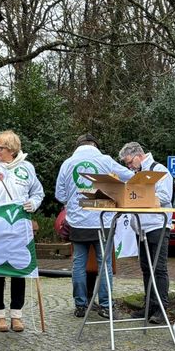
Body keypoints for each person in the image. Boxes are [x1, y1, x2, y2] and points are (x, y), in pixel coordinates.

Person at [54, 134, 135, 318]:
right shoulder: (105, 160)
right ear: (95, 145)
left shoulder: (67, 163)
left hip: (78, 223)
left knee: (78, 265)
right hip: (103, 221)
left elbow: (60, 195)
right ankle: (106, 306)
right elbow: (130, 177)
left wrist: (75, 201)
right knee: (104, 264)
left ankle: (81, 305)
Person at [0, 130, 44, 332]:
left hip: (18, 229)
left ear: (12, 150)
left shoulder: (26, 167)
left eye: (1, 147)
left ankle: (17, 314)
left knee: (18, 269)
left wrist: (33, 203)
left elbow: (38, 191)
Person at [118, 142, 173, 324]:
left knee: (158, 268)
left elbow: (165, 196)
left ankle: (161, 309)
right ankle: (149, 306)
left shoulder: (159, 170)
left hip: (157, 225)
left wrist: (140, 198)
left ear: (137, 155)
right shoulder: (137, 173)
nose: (129, 166)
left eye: (129, 162)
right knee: (146, 268)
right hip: (141, 228)